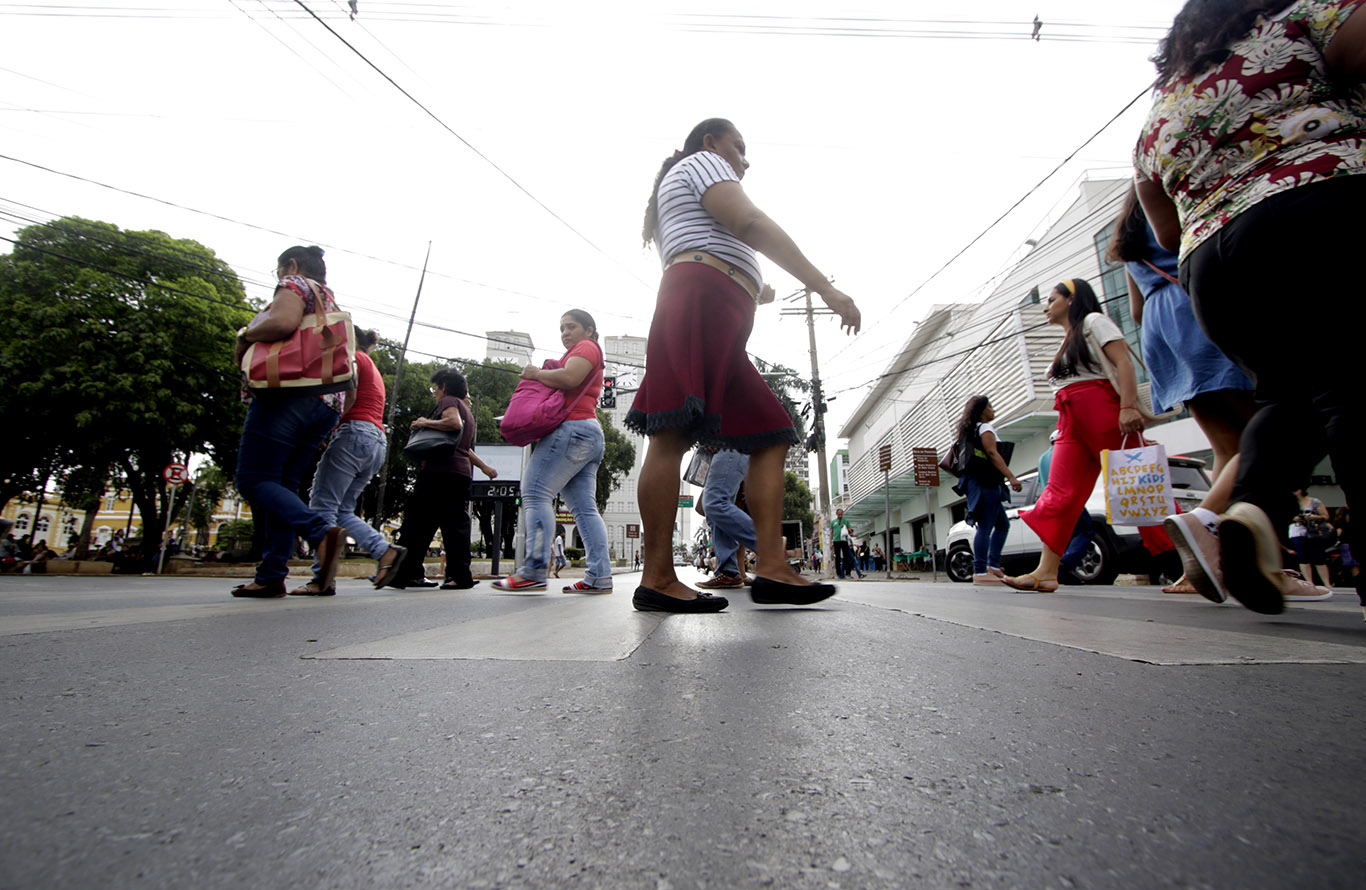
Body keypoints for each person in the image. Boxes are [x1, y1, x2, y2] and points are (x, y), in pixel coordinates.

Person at [1135, 0, 1366, 617]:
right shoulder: (1307, 16)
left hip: (1212, 265)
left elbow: (1161, 227)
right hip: (1316, 208)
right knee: (1351, 383)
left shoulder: (1162, 111)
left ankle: (1253, 507)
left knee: (1290, 396)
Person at [627, 118, 860, 611]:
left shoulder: (688, 179)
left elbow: (720, 242)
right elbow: (750, 223)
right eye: (739, 147)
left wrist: (757, 284)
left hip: (718, 311)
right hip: (699, 303)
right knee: (670, 434)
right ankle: (658, 578)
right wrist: (827, 289)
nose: (745, 160)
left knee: (771, 433)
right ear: (711, 143)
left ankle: (772, 567)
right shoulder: (702, 162)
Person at [1106, 186, 1258, 597]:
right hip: (1197, 309)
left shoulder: (1128, 247)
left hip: (1160, 330)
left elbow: (1134, 312)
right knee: (1263, 432)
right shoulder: (1178, 218)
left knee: (1226, 449)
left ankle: (1196, 567)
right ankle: (1205, 522)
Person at [1004, 279, 1147, 593]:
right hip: (1070, 420)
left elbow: (1124, 361)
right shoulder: (1069, 337)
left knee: (1139, 485)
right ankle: (1046, 571)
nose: (1046, 306)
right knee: (1059, 493)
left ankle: (1194, 561)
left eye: (1052, 299)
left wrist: (1127, 407)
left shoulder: (1095, 322)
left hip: (1104, 412)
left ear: (1071, 300)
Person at [230, 246, 347, 598]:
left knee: (253, 479)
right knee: (282, 485)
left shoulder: (294, 284)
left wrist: (246, 333)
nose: (278, 279)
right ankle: (270, 574)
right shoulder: (329, 302)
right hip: (325, 403)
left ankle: (319, 533)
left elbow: (282, 323)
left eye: (277, 271)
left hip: (287, 395)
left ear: (292, 265)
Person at [493, 310, 612, 594]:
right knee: (584, 509)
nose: (565, 333)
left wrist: (537, 374)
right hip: (588, 433)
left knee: (535, 494)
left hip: (572, 431)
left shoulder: (587, 347)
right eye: (561, 329)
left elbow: (570, 378)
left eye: (571, 326)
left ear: (590, 330)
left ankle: (533, 570)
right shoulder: (586, 348)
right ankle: (600, 576)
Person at [290, 328, 407, 596]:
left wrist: (323, 430)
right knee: (342, 510)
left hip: (353, 434)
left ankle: (323, 579)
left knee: (323, 505)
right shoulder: (372, 366)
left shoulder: (353, 358)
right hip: (375, 440)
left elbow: (349, 397)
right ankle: (384, 551)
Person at [390, 367, 495, 590]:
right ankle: (457, 575)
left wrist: (424, 422)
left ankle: (406, 573)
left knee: (416, 524)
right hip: (459, 473)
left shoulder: (449, 402)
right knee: (452, 526)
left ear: (444, 386)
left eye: (435, 388)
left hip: (438, 472)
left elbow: (452, 423)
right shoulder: (467, 412)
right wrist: (484, 467)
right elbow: (463, 447)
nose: (434, 393)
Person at [951, 395, 1023, 585]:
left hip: (980, 483)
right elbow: (992, 453)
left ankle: (993, 565)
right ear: (982, 410)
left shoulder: (972, 430)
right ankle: (980, 570)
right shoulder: (985, 428)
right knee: (985, 527)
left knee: (1002, 525)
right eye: (990, 406)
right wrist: (1011, 476)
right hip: (986, 484)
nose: (993, 409)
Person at [697, 450, 758, 590]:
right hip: (727, 443)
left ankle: (770, 545)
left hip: (730, 440)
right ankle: (728, 571)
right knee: (715, 512)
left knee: (715, 503)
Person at [1289, 488, 1334, 595]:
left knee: (1319, 557)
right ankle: (1309, 582)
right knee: (1303, 557)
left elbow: (1325, 516)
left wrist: (1314, 517)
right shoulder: (1290, 503)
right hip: (1297, 531)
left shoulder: (1314, 502)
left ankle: (1326, 583)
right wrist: (1295, 518)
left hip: (1314, 532)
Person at [829, 508, 857, 580]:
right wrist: (830, 542)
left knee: (846, 557)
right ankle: (838, 574)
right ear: (836, 514)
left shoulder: (846, 521)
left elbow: (851, 532)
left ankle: (848, 573)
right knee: (837, 558)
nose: (840, 516)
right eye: (839, 514)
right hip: (836, 541)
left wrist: (845, 527)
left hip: (844, 540)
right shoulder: (833, 522)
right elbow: (831, 532)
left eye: (841, 514)